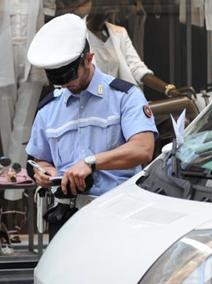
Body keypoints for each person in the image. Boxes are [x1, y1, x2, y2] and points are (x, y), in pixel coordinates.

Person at [26, 14, 157, 210]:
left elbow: (143, 148)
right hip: (66, 212)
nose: (65, 84)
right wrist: (44, 172)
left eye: (69, 75)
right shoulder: (48, 108)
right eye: (57, 78)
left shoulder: (124, 96)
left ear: (89, 59)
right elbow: (40, 159)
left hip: (118, 209)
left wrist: (92, 162)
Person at [75, 0, 178, 99]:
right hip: (95, 102)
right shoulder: (77, 34)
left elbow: (137, 68)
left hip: (124, 102)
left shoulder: (119, 33)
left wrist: (168, 89)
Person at [0, 0, 48, 201]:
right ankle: (9, 183)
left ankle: (13, 192)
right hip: (4, 58)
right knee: (5, 121)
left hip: (32, 60)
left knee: (23, 124)